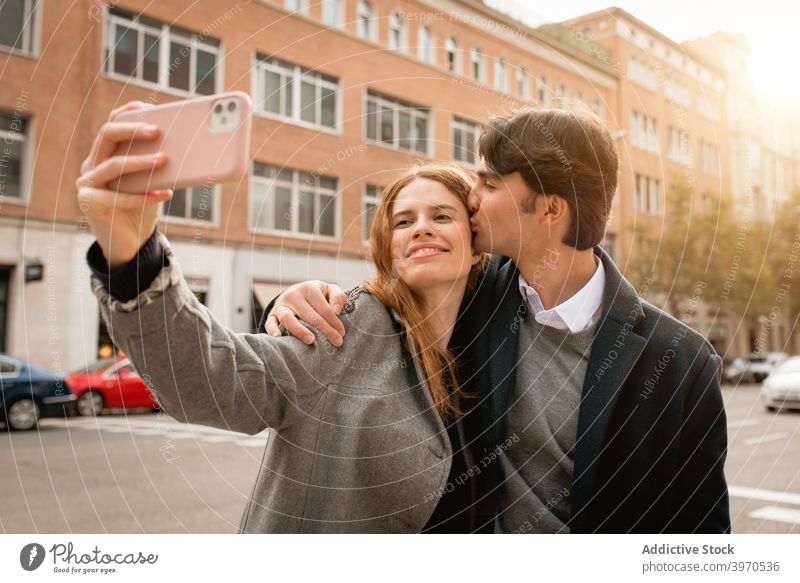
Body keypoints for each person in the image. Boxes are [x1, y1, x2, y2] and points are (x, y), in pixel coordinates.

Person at [262, 107, 731, 533]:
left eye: (488, 183)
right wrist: (293, 303)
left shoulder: (681, 364)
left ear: (550, 209)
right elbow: (387, 304)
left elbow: (700, 532)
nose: (471, 196)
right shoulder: (470, 294)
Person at [77, 101, 488, 533]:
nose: (421, 228)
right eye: (403, 221)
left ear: (478, 242)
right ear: (387, 248)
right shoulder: (344, 325)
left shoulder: (505, 329)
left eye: (442, 216)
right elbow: (208, 380)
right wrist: (133, 258)